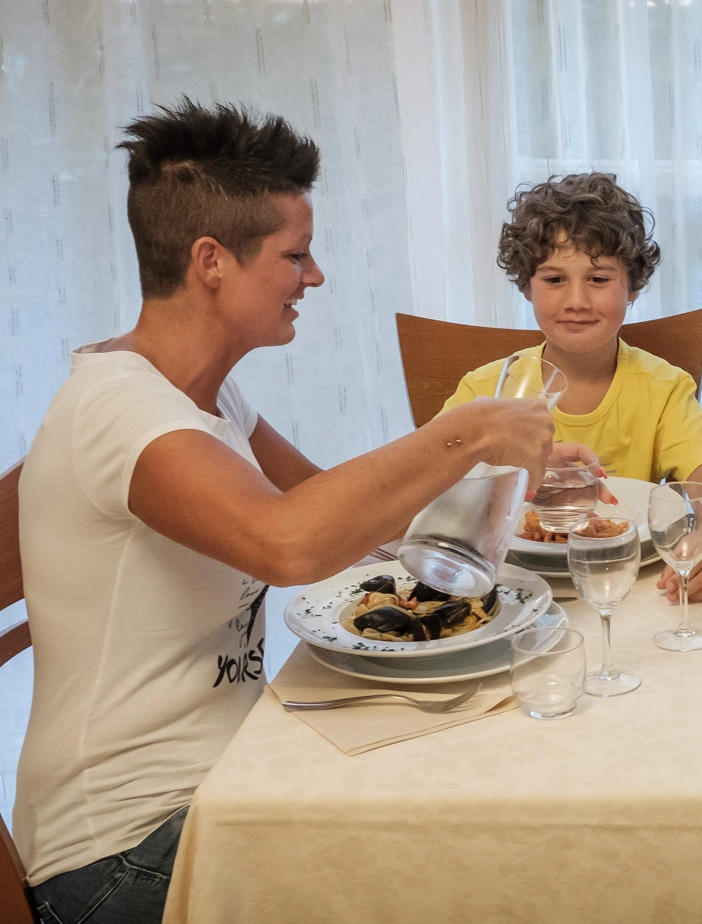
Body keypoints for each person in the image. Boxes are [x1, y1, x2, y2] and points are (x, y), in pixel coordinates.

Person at [14, 100, 554, 923]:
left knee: (470, 794)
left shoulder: (202, 395)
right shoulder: (122, 412)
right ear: (211, 261)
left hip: (221, 788)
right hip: (123, 853)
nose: (316, 276)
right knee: (453, 871)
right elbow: (291, 544)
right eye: (295, 255)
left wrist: (490, 477)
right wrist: (466, 431)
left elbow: (345, 518)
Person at [441, 173, 702, 601]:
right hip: (501, 586)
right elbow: (427, 486)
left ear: (633, 286)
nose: (577, 302)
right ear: (526, 286)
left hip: (624, 586)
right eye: (554, 280)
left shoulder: (663, 387)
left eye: (598, 279)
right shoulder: (484, 390)